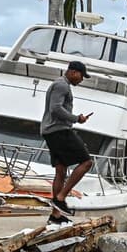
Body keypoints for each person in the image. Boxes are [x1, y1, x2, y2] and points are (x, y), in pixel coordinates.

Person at [41, 61, 94, 222]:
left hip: (50, 131)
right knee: (86, 162)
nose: (81, 80)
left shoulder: (59, 84)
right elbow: (55, 109)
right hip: (59, 130)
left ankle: (55, 215)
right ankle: (61, 197)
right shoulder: (62, 86)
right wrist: (76, 118)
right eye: (81, 76)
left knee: (61, 170)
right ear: (73, 72)